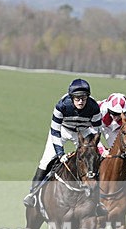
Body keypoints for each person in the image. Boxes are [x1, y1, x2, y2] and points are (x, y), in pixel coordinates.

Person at [23, 78, 107, 216]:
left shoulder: (94, 107)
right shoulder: (62, 106)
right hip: (63, 131)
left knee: (91, 163)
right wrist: (60, 153)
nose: (81, 101)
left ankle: (97, 202)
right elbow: (55, 131)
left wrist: (94, 148)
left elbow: (97, 131)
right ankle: (32, 194)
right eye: (77, 98)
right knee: (45, 161)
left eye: (84, 98)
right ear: (71, 97)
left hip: (83, 131)